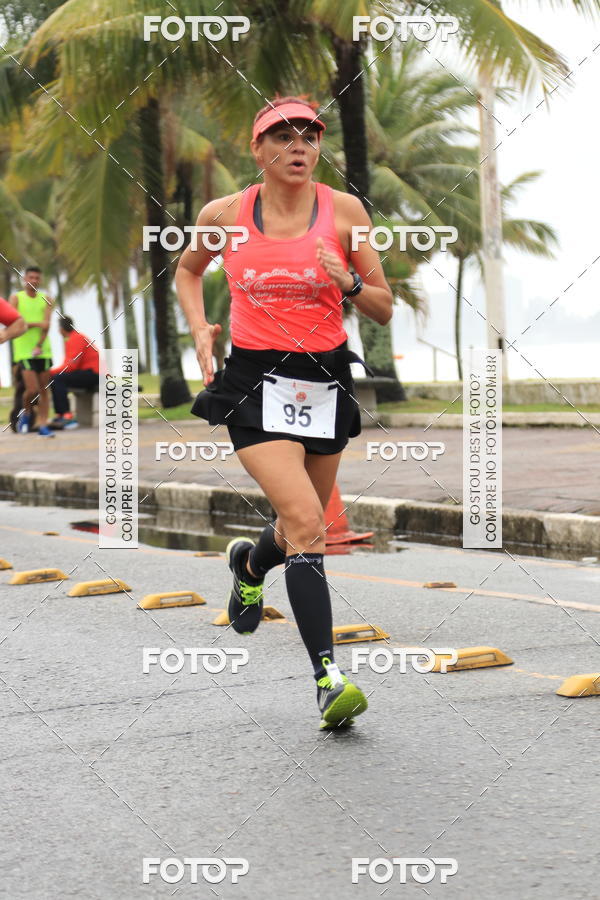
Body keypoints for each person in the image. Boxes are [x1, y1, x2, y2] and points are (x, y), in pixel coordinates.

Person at [176, 96, 393, 729]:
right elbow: (189, 272)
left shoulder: (345, 212)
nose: (298, 146)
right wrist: (200, 327)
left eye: (309, 136)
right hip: (253, 381)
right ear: (259, 148)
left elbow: (382, 305)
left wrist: (347, 282)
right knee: (305, 518)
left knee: (301, 531)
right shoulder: (226, 215)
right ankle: (328, 678)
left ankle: (248, 564)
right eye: (283, 135)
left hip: (323, 379)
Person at [9, 266, 55, 436]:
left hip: (43, 350)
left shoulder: (47, 299)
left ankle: (43, 425)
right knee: (32, 390)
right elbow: (15, 323)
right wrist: (36, 323)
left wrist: (39, 344)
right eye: (31, 277)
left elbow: (47, 326)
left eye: (37, 278)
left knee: (44, 390)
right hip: (23, 352)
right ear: (24, 279)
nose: (34, 281)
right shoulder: (16, 298)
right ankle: (27, 413)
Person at [49, 315, 100, 429]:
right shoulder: (75, 338)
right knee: (57, 378)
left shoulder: (76, 338)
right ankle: (61, 415)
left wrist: (50, 372)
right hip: (88, 373)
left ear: (61, 329)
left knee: (57, 378)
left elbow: (71, 366)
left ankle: (67, 417)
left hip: (93, 374)